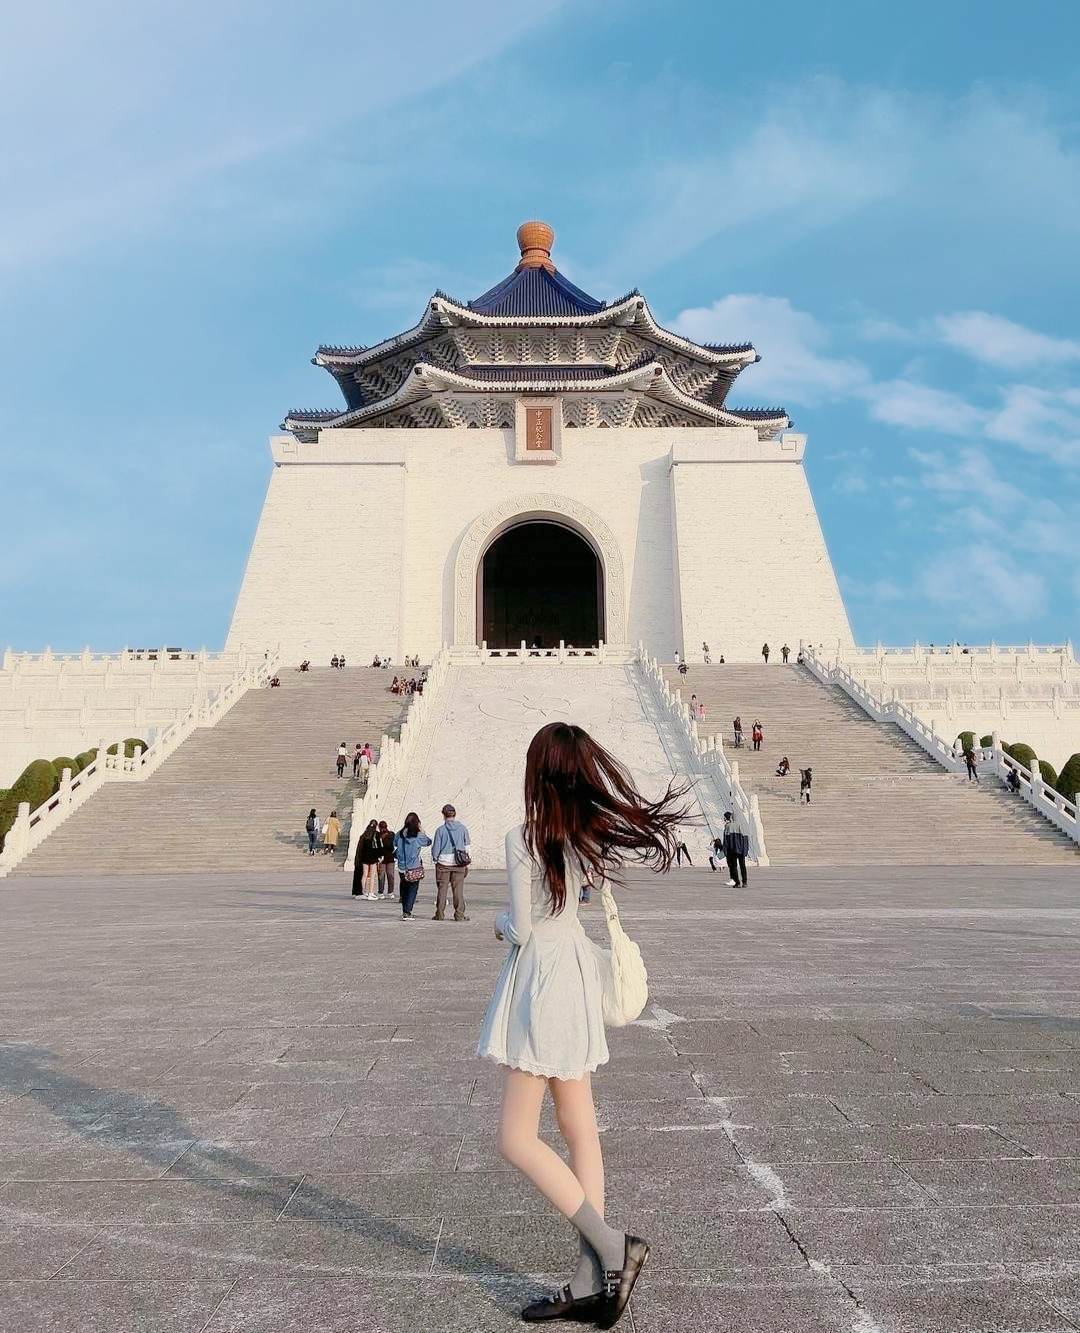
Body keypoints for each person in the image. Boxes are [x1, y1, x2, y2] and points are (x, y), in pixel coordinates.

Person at [478, 721, 685, 1325]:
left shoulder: (524, 837)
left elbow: (522, 928)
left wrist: (495, 922)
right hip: (574, 976)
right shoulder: (581, 839)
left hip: (541, 982)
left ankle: (612, 1244)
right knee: (578, 1128)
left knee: (516, 1138)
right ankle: (590, 1281)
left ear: (537, 773)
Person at [431, 803, 471, 921]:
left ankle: (439, 914)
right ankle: (459, 914)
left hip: (443, 863)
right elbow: (467, 846)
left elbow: (436, 848)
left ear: (443, 815)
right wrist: (467, 860)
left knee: (442, 889)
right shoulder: (463, 828)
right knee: (458, 890)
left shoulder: (440, 830)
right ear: (455, 814)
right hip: (459, 863)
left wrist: (435, 858)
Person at [394, 812, 431, 919]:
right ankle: (407, 912)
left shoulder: (399, 834)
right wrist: (422, 831)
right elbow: (428, 842)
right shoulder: (418, 835)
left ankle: (405, 910)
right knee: (412, 889)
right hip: (414, 866)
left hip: (402, 866)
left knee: (405, 889)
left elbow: (395, 843)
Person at [353, 819, 381, 898]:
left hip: (364, 857)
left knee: (364, 875)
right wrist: (379, 855)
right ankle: (371, 892)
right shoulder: (376, 834)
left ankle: (362, 892)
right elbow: (379, 846)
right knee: (372, 875)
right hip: (373, 857)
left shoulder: (364, 834)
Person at [722, 811, 749, 887]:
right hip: (741, 849)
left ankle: (737, 883)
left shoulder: (727, 826)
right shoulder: (741, 825)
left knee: (733, 866)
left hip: (732, 850)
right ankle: (745, 882)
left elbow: (726, 841)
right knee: (742, 866)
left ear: (726, 818)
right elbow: (745, 838)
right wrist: (745, 850)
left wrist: (724, 852)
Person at [376, 820, 396, 898]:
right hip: (381, 858)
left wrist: (385, 838)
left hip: (389, 857)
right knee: (381, 875)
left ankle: (390, 891)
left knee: (390, 875)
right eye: (381, 827)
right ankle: (381, 892)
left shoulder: (391, 834)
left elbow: (391, 846)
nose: (382, 829)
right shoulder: (378, 835)